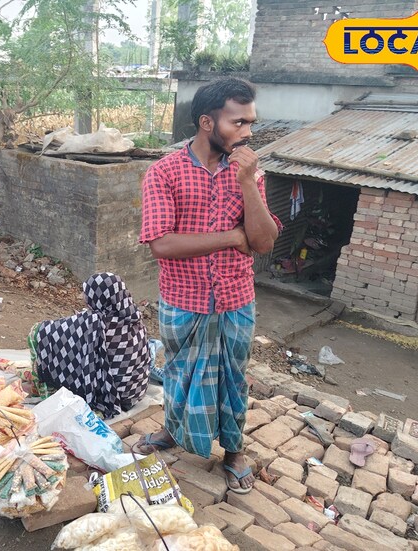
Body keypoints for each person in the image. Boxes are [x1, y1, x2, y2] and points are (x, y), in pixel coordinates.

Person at [135, 77, 282, 494]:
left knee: (233, 378)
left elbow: (265, 242)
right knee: (179, 373)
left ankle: (234, 452)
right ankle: (172, 432)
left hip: (236, 299)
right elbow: (162, 244)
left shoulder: (253, 174)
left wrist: (247, 184)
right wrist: (233, 238)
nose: (248, 132)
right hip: (183, 301)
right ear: (206, 122)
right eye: (238, 123)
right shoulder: (164, 172)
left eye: (251, 122)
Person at [28, 273, 151, 418]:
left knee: (38, 335)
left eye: (86, 293)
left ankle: (42, 388)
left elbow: (44, 332)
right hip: (135, 391)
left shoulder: (94, 322)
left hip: (112, 396)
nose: (83, 297)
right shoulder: (133, 316)